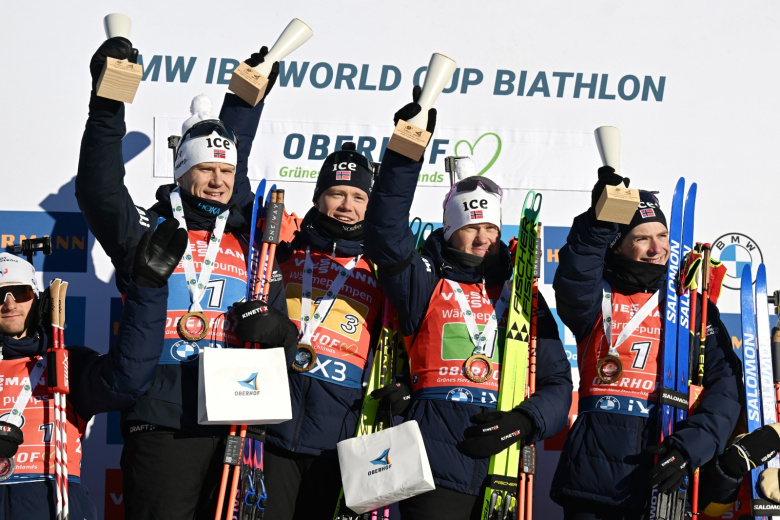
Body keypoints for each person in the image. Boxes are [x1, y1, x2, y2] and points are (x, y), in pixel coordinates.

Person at [75, 36, 298, 519]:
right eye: (205, 169)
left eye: (226, 170)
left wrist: (277, 330)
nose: (218, 180)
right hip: (164, 418)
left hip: (238, 417)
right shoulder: (147, 229)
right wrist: (108, 106)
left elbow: (284, 330)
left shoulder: (251, 243)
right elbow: (99, 189)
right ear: (181, 172)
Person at [362, 93, 573, 519]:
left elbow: (558, 383)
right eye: (470, 228)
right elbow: (385, 233)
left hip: (505, 467)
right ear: (449, 230)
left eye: (491, 228)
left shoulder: (521, 297)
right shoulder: (425, 280)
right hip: (433, 465)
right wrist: (407, 152)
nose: (482, 239)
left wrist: (525, 422)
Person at [550, 167, 742, 519]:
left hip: (666, 464)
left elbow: (725, 387)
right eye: (641, 238)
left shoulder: (693, 306)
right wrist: (601, 218)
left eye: (663, 235)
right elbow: (577, 273)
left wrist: (689, 450)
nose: (657, 249)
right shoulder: (596, 296)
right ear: (618, 245)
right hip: (592, 477)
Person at [0, 219, 187, 520]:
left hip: (54, 505)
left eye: (19, 292)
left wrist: (148, 292)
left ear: (37, 298)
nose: (9, 304)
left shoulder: (65, 362)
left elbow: (126, 380)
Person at [256, 142, 387, 519]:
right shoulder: (285, 252)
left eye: (358, 196)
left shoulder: (379, 270)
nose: (347, 205)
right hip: (273, 430)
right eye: (336, 193)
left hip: (339, 441)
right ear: (319, 197)